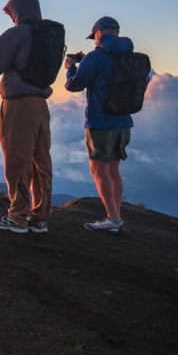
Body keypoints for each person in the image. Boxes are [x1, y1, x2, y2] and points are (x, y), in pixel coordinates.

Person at [0, 0, 54, 234]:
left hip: (18, 105)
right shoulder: (47, 35)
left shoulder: (15, 34)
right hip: (41, 104)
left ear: (16, 10)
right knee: (41, 159)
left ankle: (18, 216)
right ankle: (40, 215)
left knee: (17, 158)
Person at [64, 16, 133, 233]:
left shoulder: (96, 57)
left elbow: (74, 85)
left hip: (101, 121)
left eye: (93, 36)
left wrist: (71, 68)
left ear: (99, 33)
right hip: (124, 121)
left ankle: (113, 220)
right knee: (114, 168)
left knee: (98, 168)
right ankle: (116, 215)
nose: (93, 40)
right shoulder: (130, 56)